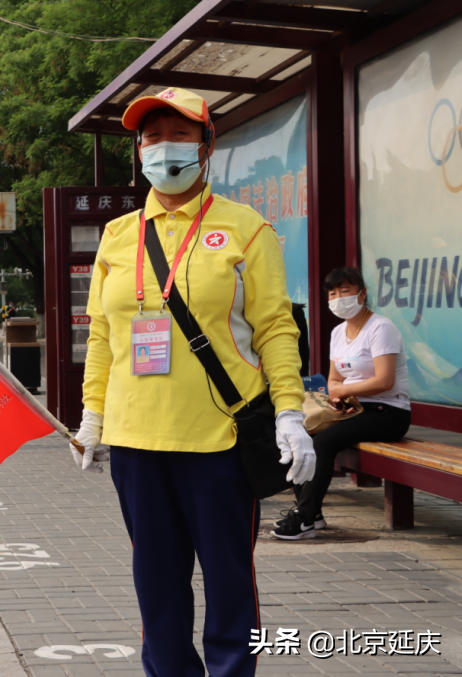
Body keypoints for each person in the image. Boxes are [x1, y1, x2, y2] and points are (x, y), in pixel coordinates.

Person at [73, 87, 316, 677]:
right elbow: (103, 335)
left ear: (206, 145)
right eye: (152, 137)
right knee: (156, 588)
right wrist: (93, 415)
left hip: (221, 442)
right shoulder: (117, 235)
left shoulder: (245, 228)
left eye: (179, 134)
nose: (164, 147)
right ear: (138, 150)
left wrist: (289, 411)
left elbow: (275, 327)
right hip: (136, 442)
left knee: (229, 583)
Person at [273, 267, 411, 540]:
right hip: (353, 409)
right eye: (332, 293)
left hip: (388, 411)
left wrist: (344, 391)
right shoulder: (338, 332)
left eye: (345, 291)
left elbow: (384, 381)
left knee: (324, 443)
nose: (338, 298)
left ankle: (305, 518)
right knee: (302, 434)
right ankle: (312, 512)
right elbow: (333, 381)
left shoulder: (381, 328)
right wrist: (339, 397)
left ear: (362, 293)